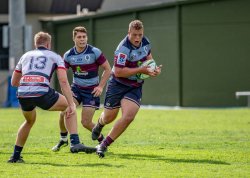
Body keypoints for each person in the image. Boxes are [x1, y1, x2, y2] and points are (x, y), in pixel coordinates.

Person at [8, 31, 96, 163]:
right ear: (48, 44)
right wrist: (71, 102)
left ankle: (15, 156)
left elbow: (14, 82)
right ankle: (75, 143)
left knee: (29, 122)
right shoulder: (55, 56)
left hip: (23, 93)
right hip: (42, 91)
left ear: (35, 44)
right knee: (68, 106)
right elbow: (63, 81)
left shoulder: (25, 56)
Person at [91, 20, 162, 158]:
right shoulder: (123, 49)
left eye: (140, 35)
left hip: (134, 85)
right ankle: (100, 123)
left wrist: (154, 70)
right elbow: (118, 72)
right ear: (128, 33)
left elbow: (149, 60)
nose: (137, 38)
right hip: (117, 84)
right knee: (109, 117)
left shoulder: (146, 42)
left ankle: (104, 144)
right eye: (134, 35)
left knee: (129, 116)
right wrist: (141, 69)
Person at [52, 26, 111, 152]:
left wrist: (100, 86)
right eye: (79, 37)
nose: (82, 39)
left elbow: (108, 69)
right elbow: (61, 73)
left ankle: (103, 141)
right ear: (74, 38)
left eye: (84, 37)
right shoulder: (68, 55)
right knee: (66, 110)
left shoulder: (95, 52)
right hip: (76, 89)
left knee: (86, 122)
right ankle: (64, 139)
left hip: (91, 92)